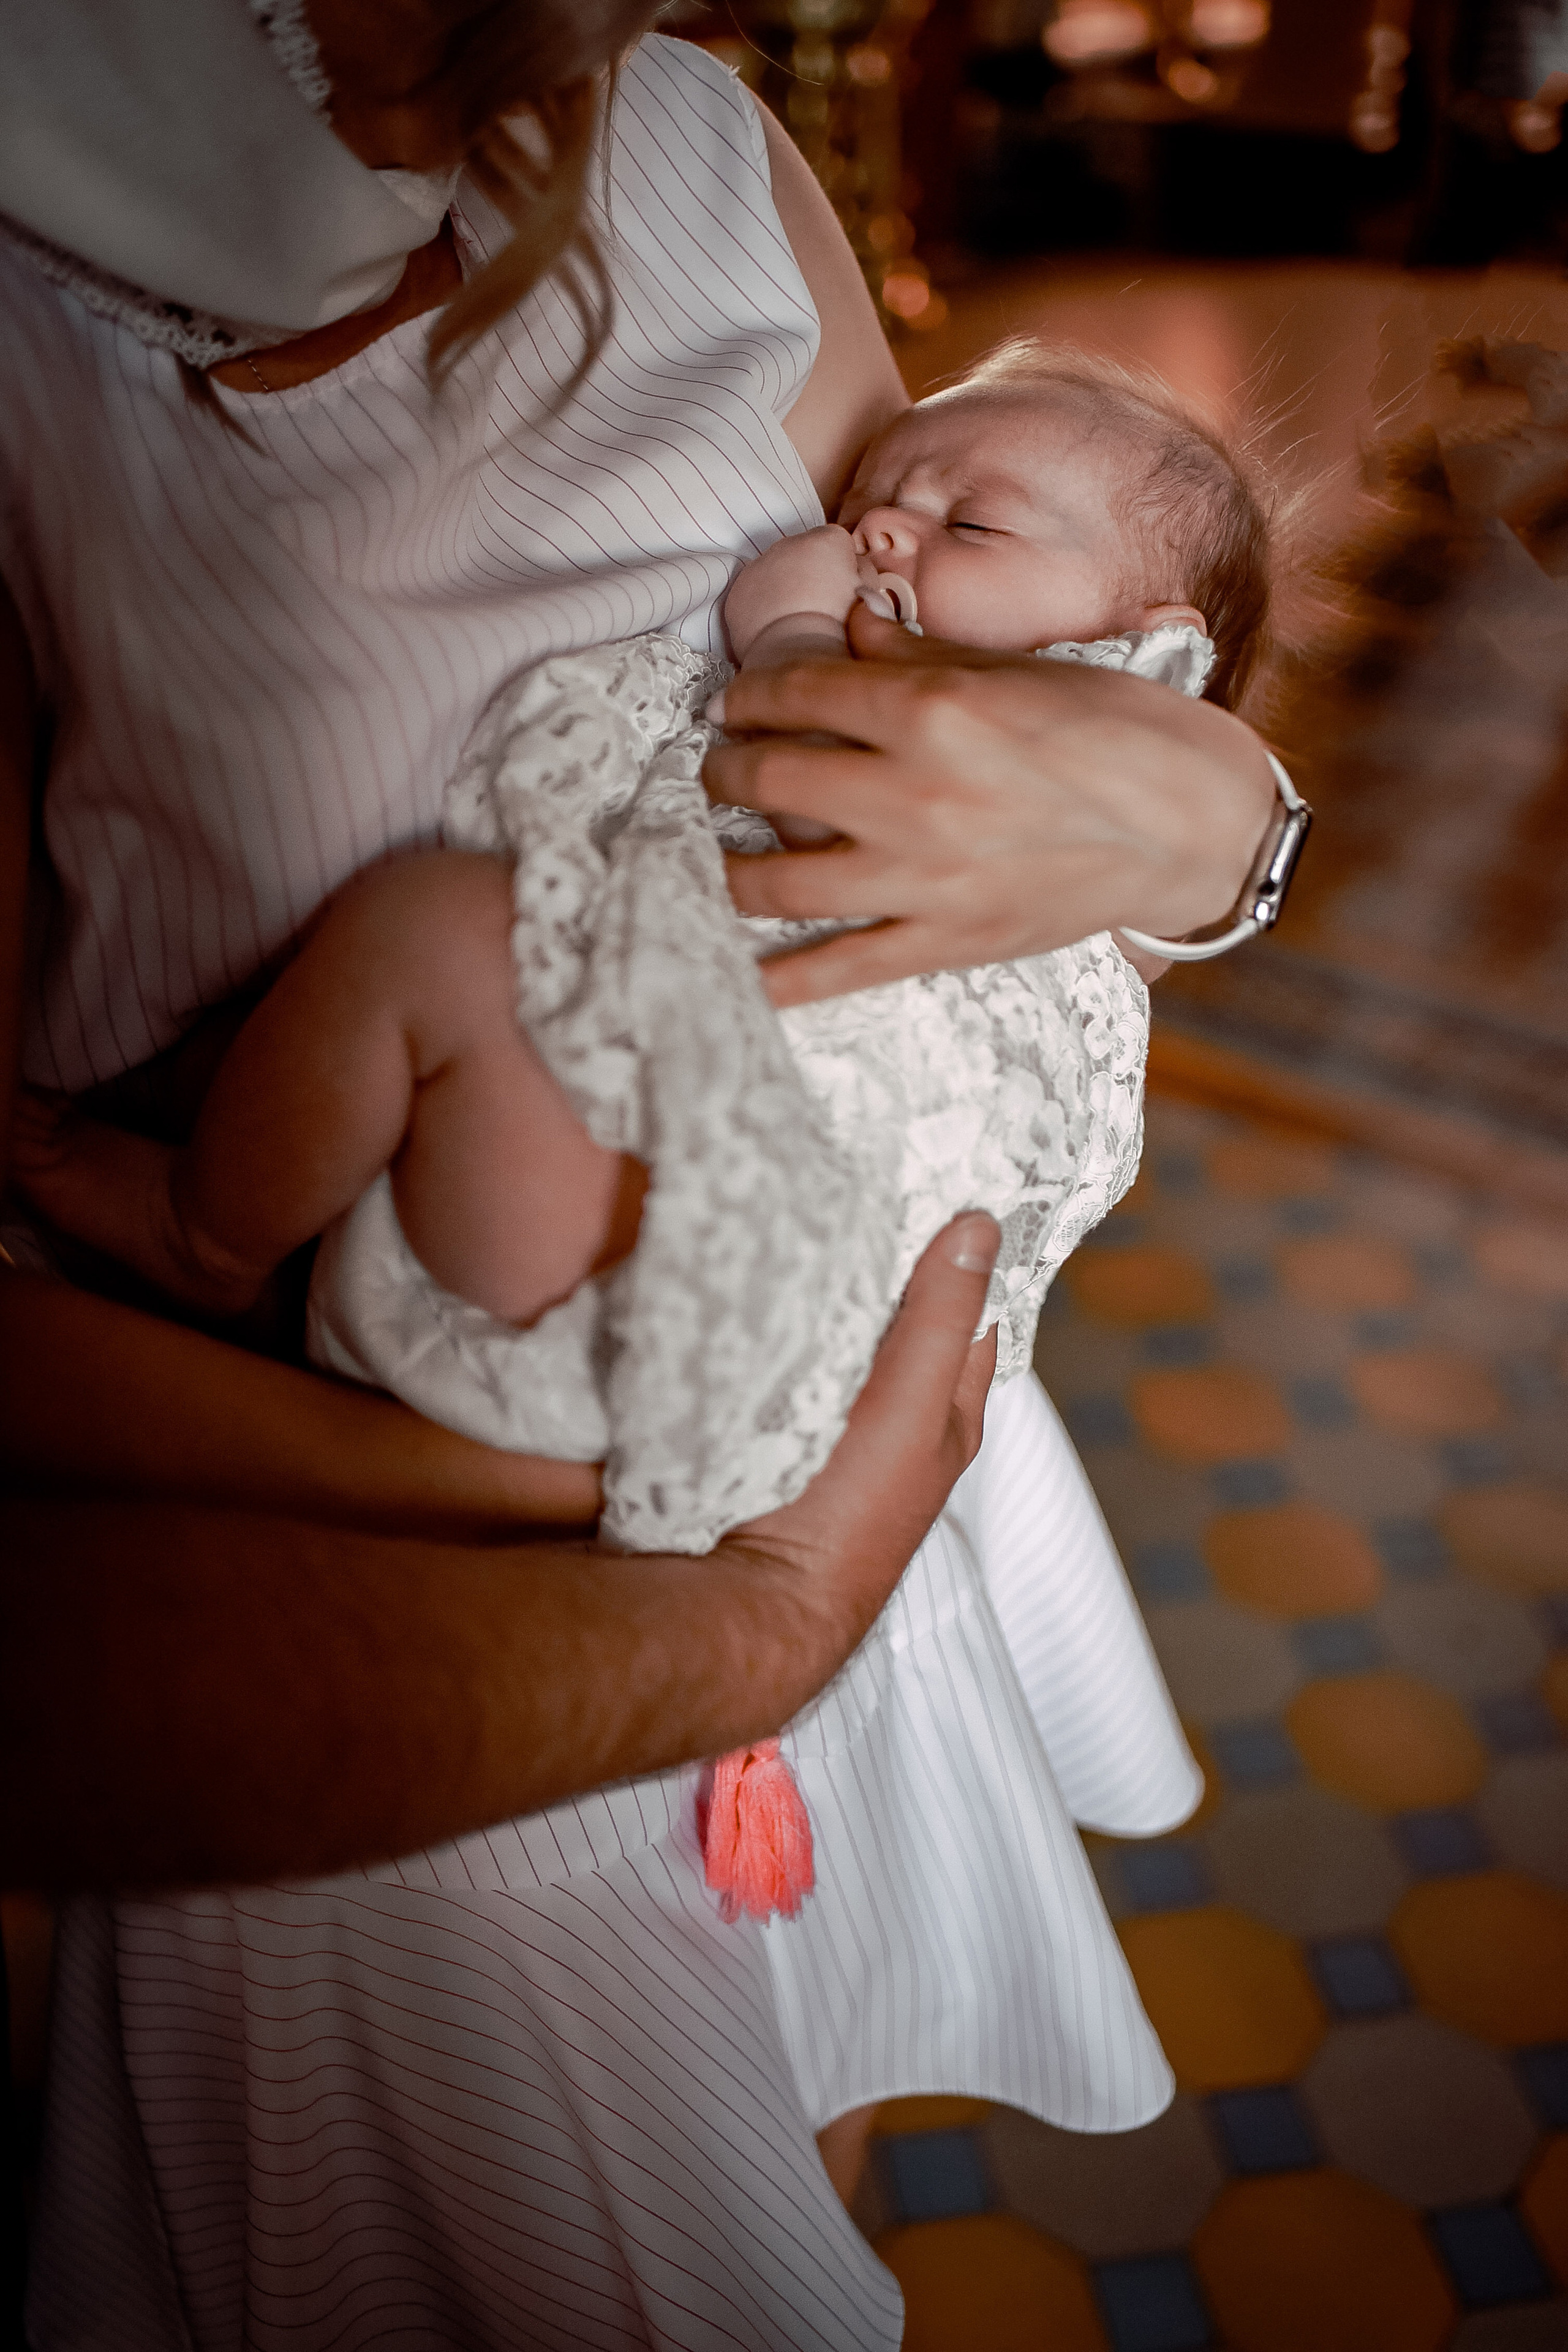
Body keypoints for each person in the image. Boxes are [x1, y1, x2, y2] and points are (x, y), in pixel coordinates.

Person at [0, 0, 1287, 2341]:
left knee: (815, 2119)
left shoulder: (684, 133)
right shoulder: (41, 298)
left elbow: (1007, 648)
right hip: (415, 1590)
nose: (888, 513)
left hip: (867, 1470)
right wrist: (692, 1569)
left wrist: (1213, 818)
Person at [12, 336, 1272, 1571]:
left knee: (441, 931)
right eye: (871, 498)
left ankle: (206, 1235)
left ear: (1149, 654)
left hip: (685, 1300)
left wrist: (787, 643)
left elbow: (832, 799)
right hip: (647, 1251)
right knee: (414, 962)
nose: (877, 533)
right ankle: (255, 1222)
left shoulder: (1080, 753)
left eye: (973, 526)